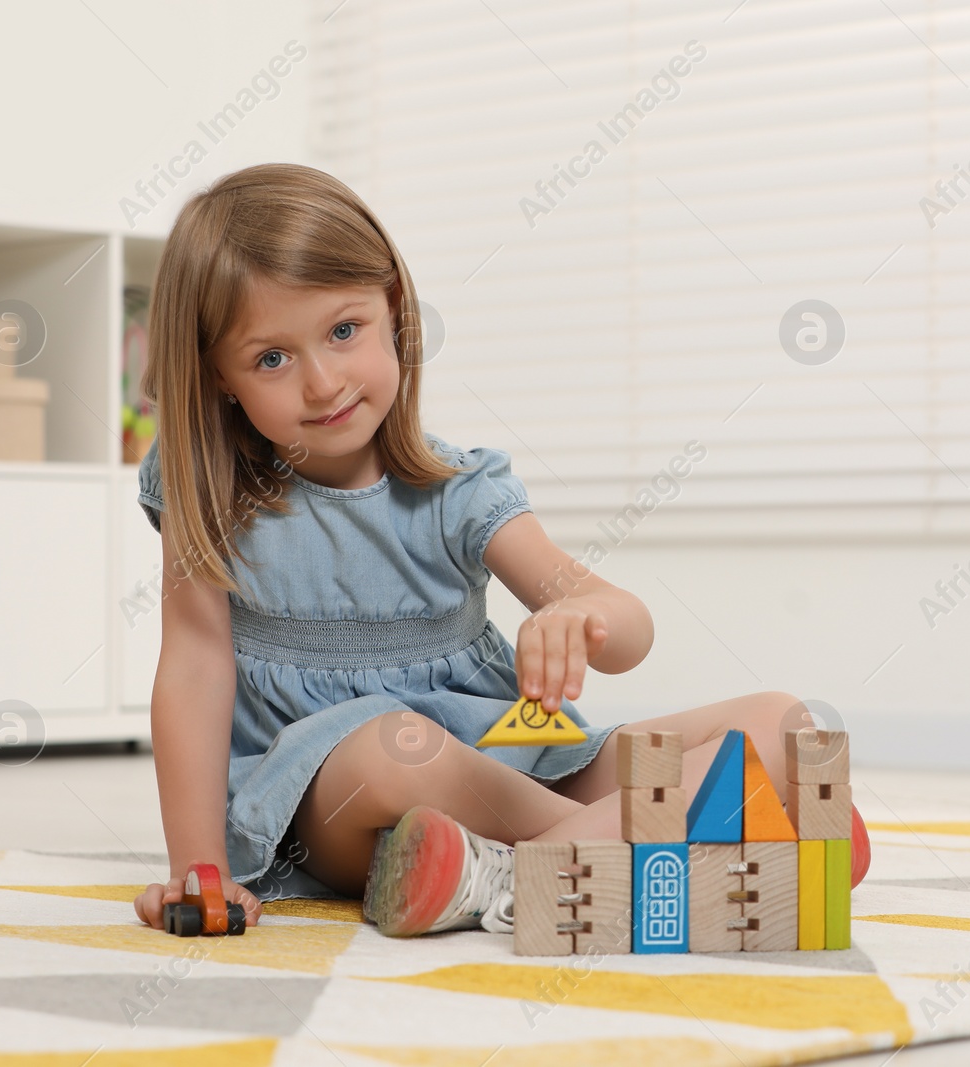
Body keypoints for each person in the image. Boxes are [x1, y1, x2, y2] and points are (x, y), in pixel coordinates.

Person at [130, 162, 869, 939]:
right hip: (332, 799)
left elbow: (629, 626)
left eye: (344, 331)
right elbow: (194, 665)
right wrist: (199, 865)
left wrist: (579, 616)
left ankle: (546, 858)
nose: (322, 382)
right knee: (397, 746)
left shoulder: (459, 489)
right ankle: (643, 846)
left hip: (503, 756)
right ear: (218, 377)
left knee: (784, 720)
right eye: (271, 358)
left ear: (393, 311)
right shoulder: (209, 492)